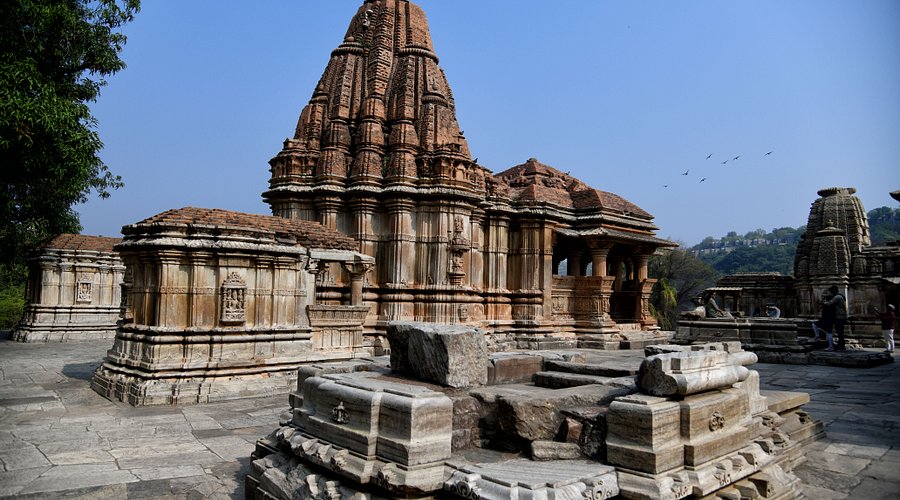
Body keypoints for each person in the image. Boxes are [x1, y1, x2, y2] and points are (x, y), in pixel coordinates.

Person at [822, 285, 847, 351]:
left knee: (839, 332)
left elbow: (830, 303)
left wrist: (824, 302)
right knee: (840, 331)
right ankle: (841, 345)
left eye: (831, 292)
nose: (831, 293)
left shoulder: (837, 297)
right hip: (842, 316)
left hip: (840, 316)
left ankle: (841, 346)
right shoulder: (840, 296)